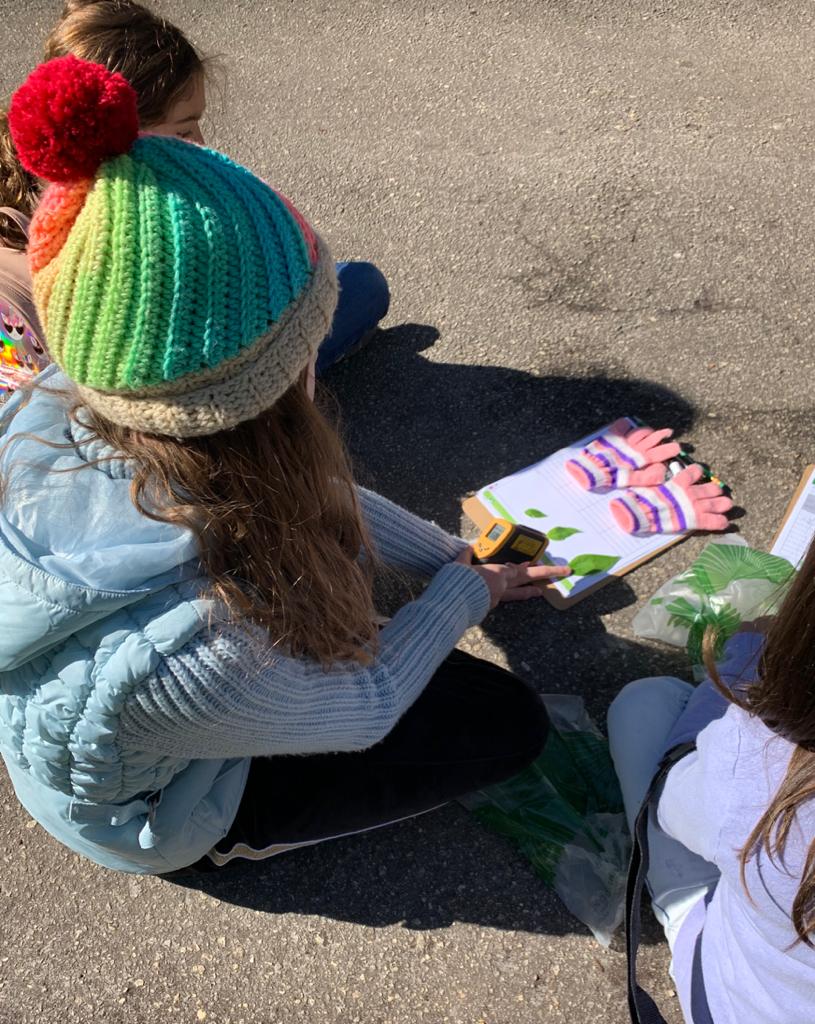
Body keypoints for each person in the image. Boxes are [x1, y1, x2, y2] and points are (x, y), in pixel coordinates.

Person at [0, 55, 570, 875]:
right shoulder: (191, 657)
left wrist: (449, 558)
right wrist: (462, 593)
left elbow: (314, 492)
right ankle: (237, 846)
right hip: (163, 807)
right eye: (311, 337)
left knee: (388, 642)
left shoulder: (69, 395)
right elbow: (366, 708)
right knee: (509, 725)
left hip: (141, 687)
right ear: (272, 388)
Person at [0, 0, 388, 396]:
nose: (200, 143)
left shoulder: (42, 190)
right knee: (358, 286)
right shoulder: (141, 230)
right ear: (119, 129)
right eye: (185, 131)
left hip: (51, 410)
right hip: (176, 395)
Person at [608, 551, 815, 1021]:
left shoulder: (771, 763)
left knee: (644, 704)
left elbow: (669, 802)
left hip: (723, 996)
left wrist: (750, 661)